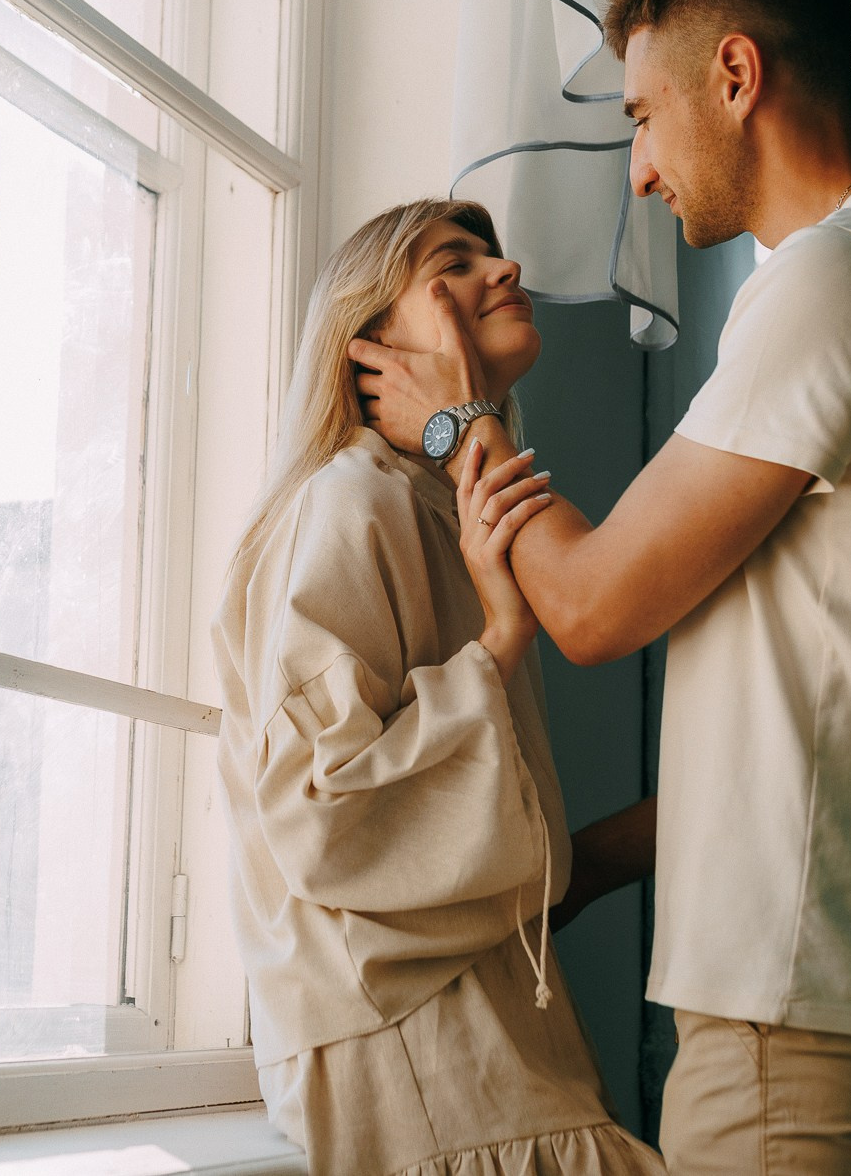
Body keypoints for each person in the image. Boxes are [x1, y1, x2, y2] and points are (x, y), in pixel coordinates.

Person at [351, 0, 851, 1175]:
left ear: (733, 74)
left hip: (798, 997)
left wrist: (457, 422)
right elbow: (819, 723)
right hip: (846, 987)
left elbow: (590, 607)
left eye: (639, 116)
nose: (636, 169)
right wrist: (570, 873)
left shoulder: (844, 277)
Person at [213, 198, 665, 1176]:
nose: (506, 271)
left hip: (484, 1017)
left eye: (492, 255)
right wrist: (499, 642)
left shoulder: (437, 505)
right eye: (452, 265)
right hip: (411, 1036)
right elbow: (319, 811)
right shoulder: (350, 501)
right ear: (371, 342)